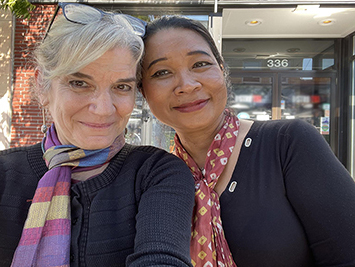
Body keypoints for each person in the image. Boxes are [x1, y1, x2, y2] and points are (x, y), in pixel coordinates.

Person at [140, 15, 355, 267]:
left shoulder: (288, 143)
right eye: (162, 72)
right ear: (143, 91)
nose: (187, 85)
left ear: (221, 69)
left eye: (199, 64)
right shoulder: (159, 176)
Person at [0, 5, 195, 267]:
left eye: (121, 87)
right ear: (42, 86)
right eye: (79, 83)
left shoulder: (156, 173)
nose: (103, 109)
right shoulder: (4, 174)